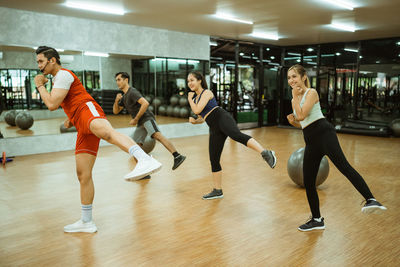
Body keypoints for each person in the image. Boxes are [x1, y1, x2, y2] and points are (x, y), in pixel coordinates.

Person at [34, 46, 162, 233]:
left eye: (40, 61)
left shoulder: (63, 74)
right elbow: (71, 98)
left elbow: (52, 103)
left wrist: (39, 85)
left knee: (108, 133)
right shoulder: (58, 79)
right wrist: (71, 119)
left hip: (88, 111)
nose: (39, 66)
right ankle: (87, 221)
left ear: (52, 60)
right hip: (80, 121)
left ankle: (144, 159)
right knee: (83, 173)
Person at [286, 64, 387, 232]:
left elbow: (302, 114)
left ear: (304, 77)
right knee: (309, 181)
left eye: (294, 76)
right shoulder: (294, 98)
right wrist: (293, 121)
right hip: (310, 139)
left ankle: (371, 199)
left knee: (344, 167)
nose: (291, 80)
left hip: (324, 134)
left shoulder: (311, 93)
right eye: (289, 78)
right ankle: (317, 219)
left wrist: (295, 99)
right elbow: (302, 121)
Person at [187, 71, 277, 200]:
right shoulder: (196, 99)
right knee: (214, 158)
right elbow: (201, 116)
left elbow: (196, 110)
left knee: (236, 135)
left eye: (192, 80)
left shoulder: (206, 93)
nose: (190, 83)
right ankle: (217, 190)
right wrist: (195, 121)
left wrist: (189, 98)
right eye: (188, 81)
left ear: (200, 80)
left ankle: (266, 152)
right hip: (213, 127)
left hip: (221, 117)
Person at [113, 72, 186, 172]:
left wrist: (136, 118)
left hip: (146, 118)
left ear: (126, 80)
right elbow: (116, 111)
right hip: (140, 123)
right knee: (135, 147)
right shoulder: (124, 97)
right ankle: (143, 171)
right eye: (116, 80)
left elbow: (145, 103)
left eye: (119, 79)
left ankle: (177, 156)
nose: (117, 82)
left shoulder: (132, 92)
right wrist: (116, 101)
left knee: (157, 135)